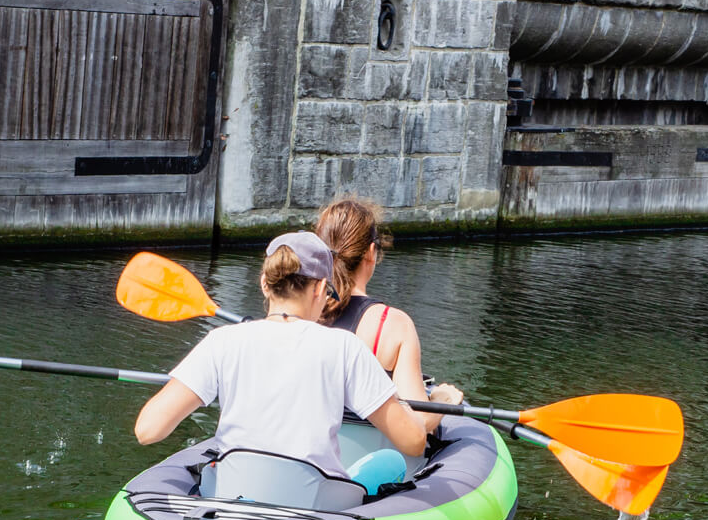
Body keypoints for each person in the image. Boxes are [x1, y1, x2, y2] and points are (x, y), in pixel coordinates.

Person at [134, 231, 427, 490]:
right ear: (319, 288)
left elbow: (147, 430)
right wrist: (434, 401)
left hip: (232, 499)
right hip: (316, 511)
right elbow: (413, 441)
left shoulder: (221, 341)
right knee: (389, 461)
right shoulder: (344, 348)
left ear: (264, 284)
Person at [316, 198, 463, 432]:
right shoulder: (392, 324)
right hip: (370, 461)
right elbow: (420, 423)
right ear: (371, 253)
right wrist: (444, 401)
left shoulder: (300, 311)